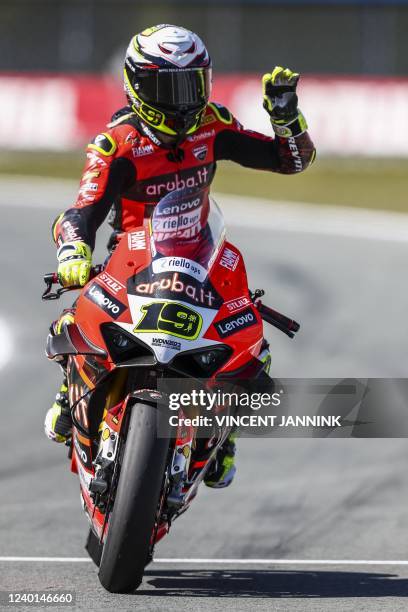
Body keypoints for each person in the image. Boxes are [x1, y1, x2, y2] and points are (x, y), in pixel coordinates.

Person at [44, 24, 316, 488]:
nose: (185, 99)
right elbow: (82, 210)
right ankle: (72, 392)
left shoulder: (212, 124)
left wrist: (286, 118)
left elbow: (290, 160)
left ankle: (222, 435)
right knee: (74, 322)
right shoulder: (117, 143)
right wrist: (73, 248)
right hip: (130, 262)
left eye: (193, 84)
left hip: (199, 256)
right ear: (138, 85)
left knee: (251, 343)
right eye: (169, 87)